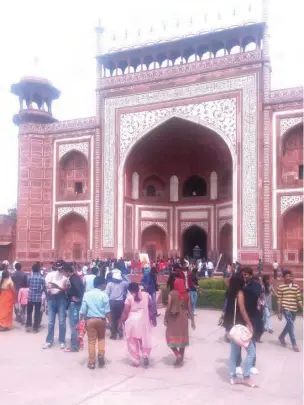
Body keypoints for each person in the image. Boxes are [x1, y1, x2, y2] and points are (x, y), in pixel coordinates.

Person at [222, 273, 257, 387]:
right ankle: (246, 377)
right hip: (240, 327)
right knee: (251, 352)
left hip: (232, 327)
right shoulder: (240, 293)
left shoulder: (230, 292)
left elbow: (226, 280)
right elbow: (242, 309)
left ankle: (233, 377)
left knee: (234, 354)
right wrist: (249, 322)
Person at [119, 282, 156, 367]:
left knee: (132, 341)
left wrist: (120, 321)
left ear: (130, 290)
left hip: (132, 322)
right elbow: (151, 306)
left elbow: (125, 311)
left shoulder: (129, 298)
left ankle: (136, 360)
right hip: (144, 321)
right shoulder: (146, 295)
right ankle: (145, 355)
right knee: (144, 339)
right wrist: (152, 317)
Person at [80, 276, 111, 369]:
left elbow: (83, 309)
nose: (105, 285)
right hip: (101, 320)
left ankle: (92, 362)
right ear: (101, 285)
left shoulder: (87, 294)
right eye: (104, 284)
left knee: (91, 341)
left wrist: (80, 319)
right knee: (101, 339)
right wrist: (110, 322)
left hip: (90, 320)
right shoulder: (104, 295)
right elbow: (107, 311)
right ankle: (101, 354)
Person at [164, 278, 195, 366]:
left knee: (169, 337)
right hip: (184, 319)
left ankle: (177, 355)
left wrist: (165, 318)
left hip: (174, 319)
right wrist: (192, 321)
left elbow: (169, 307)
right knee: (182, 341)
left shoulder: (172, 294)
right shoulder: (187, 295)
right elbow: (190, 309)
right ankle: (180, 359)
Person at [241, 268, 262, 375]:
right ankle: (237, 364)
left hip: (252, 315)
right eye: (242, 275)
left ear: (250, 275)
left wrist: (244, 289)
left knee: (252, 340)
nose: (244, 276)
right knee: (239, 340)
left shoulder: (255, 285)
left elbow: (256, 294)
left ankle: (253, 364)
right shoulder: (241, 285)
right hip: (241, 315)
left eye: (245, 275)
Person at [43, 260, 68, 349]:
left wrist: (57, 287)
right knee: (50, 322)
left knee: (62, 322)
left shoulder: (65, 277)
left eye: (60, 268)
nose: (59, 270)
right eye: (58, 268)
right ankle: (49, 341)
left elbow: (64, 289)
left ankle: (62, 340)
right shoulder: (49, 275)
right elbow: (46, 287)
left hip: (60, 299)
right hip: (51, 299)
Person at [277, 270, 303, 352]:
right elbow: (279, 300)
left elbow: (299, 299)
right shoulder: (281, 287)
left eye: (290, 276)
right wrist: (279, 312)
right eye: (287, 276)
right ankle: (294, 344)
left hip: (294, 309)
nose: (288, 278)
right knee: (291, 326)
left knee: (289, 325)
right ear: (283, 277)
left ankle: (281, 336)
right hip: (286, 308)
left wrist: (303, 309)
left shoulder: (296, 287)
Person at [64, 263, 84, 352]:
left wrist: (76, 297)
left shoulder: (73, 278)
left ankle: (74, 346)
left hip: (74, 304)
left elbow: (79, 290)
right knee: (76, 324)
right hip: (76, 304)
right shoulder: (76, 278)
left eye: (65, 272)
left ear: (68, 271)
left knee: (74, 325)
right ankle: (77, 344)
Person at [105, 268, 129, 340]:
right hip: (120, 302)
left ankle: (114, 334)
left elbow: (107, 294)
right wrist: (123, 275)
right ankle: (120, 331)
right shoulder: (123, 283)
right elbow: (128, 283)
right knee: (120, 318)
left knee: (113, 318)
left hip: (112, 302)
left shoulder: (109, 284)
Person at [26, 263, 46, 333]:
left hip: (30, 297)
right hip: (38, 297)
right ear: (39, 270)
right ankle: (35, 328)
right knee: (37, 313)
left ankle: (28, 326)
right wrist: (40, 291)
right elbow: (44, 287)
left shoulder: (29, 277)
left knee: (29, 312)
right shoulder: (42, 278)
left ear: (32, 269)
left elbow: (27, 284)